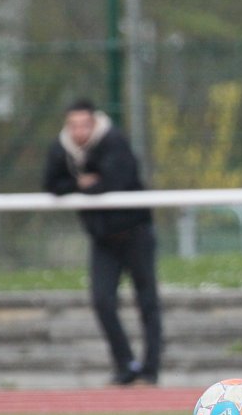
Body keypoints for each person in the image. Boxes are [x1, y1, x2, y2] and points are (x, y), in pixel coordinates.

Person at [42, 99, 161, 387]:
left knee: (147, 301)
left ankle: (150, 369)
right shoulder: (62, 149)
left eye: (84, 124)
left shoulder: (114, 141)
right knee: (102, 300)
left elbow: (116, 181)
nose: (79, 131)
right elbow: (50, 184)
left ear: (94, 122)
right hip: (102, 239)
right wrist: (80, 184)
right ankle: (126, 364)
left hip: (135, 233)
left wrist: (85, 184)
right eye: (73, 125)